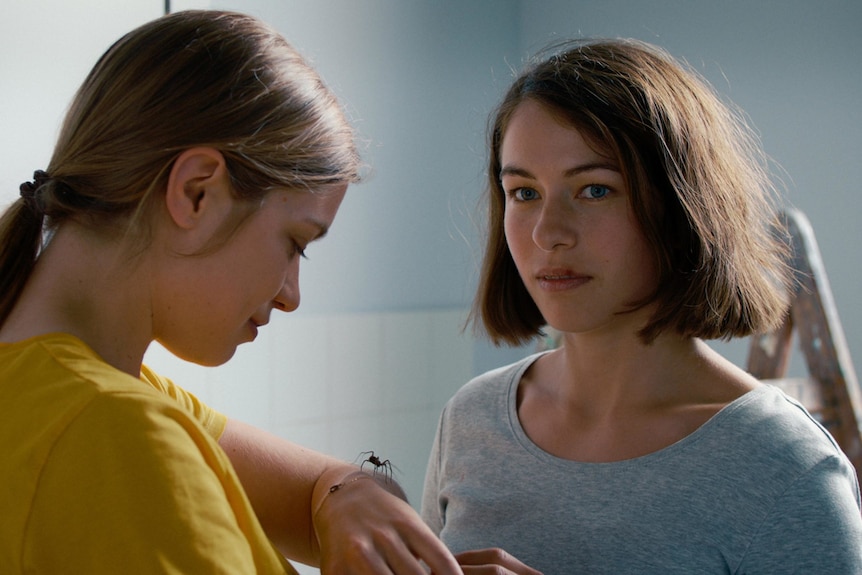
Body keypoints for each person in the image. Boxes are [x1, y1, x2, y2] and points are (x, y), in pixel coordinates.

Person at [0, 10, 475, 574]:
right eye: (296, 242)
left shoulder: (62, 389)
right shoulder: (116, 433)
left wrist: (349, 490)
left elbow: (315, 490)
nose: (291, 294)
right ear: (198, 193)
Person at [421, 38, 862, 574]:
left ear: (681, 207)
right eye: (524, 193)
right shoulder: (470, 421)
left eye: (595, 190)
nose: (548, 232)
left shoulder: (785, 466)